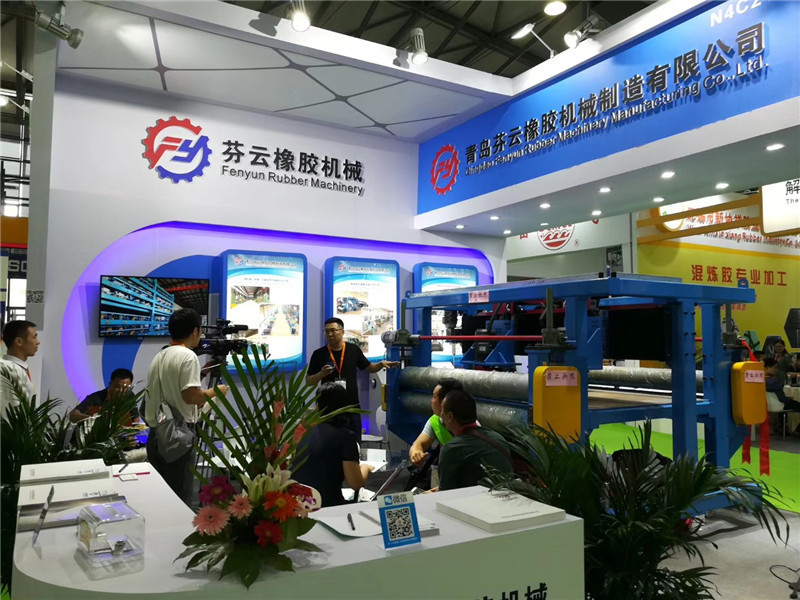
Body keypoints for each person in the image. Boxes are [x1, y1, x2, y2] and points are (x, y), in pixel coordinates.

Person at [144, 308, 228, 506]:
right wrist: (217, 391)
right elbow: (190, 397)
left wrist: (202, 374)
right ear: (195, 331)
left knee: (161, 499)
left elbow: (170, 388)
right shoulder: (188, 356)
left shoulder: (161, 355)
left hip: (157, 435)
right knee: (180, 499)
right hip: (178, 437)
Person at [306, 317, 399, 441]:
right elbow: (309, 382)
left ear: (342, 332)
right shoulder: (319, 354)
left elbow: (368, 367)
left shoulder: (353, 350)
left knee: (354, 443)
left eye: (333, 330)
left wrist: (380, 364)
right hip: (328, 410)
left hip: (351, 407)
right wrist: (321, 374)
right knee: (328, 444)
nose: (330, 334)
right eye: (327, 331)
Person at [291, 382, 373, 507]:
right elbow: (355, 483)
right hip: (328, 506)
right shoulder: (346, 436)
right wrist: (366, 468)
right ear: (345, 407)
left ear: (317, 406)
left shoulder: (303, 433)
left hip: (297, 504)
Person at [437, 389, 513, 491]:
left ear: (450, 416)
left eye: (442, 410)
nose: (441, 415)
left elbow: (446, 493)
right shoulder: (497, 437)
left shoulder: (451, 449)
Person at [409, 377, 464, 466]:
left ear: (444, 402)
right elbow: (418, 444)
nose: (432, 401)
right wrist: (416, 452)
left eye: (434, 397)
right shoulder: (436, 421)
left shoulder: (469, 425)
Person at [0, 320, 40, 419]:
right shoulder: (10, 371)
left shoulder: (18, 369)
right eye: (34, 337)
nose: (38, 342)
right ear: (19, 341)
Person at [69, 368, 139, 424]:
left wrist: (132, 433)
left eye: (125, 387)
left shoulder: (130, 396)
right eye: (117, 386)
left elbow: (135, 417)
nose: (121, 390)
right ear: (110, 384)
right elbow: (72, 416)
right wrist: (94, 419)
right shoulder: (96, 398)